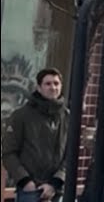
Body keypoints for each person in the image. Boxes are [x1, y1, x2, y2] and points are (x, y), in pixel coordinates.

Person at [1, 68, 69, 202]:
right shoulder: (21, 116)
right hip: (30, 190)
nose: (52, 87)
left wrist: (56, 182)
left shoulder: (67, 117)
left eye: (56, 83)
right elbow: (8, 152)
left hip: (56, 190)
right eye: (48, 84)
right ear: (39, 87)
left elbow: (71, 154)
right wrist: (25, 181)